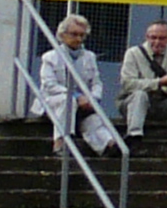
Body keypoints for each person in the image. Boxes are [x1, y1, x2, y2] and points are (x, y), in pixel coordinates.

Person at [36, 14, 124, 157]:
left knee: (93, 120)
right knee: (68, 101)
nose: (78, 39)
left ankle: (108, 145)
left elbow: (96, 83)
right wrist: (77, 97)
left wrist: (92, 99)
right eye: (74, 34)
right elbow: (49, 85)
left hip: (82, 105)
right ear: (62, 35)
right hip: (56, 103)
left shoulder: (90, 57)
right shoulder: (50, 57)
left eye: (82, 35)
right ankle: (61, 141)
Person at [118, 21, 167, 151]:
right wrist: (159, 82)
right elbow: (127, 83)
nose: (157, 42)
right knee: (139, 94)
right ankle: (134, 135)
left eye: (162, 38)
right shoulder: (133, 54)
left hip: (163, 102)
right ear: (147, 37)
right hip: (134, 104)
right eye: (153, 37)